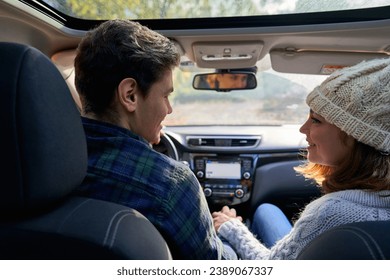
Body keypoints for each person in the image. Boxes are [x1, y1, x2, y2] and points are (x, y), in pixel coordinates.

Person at [73, 19, 236, 260]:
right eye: (166, 95)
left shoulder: (33, 170)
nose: (169, 109)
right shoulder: (172, 186)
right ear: (130, 95)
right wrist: (228, 231)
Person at [212, 57, 390, 259]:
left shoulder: (329, 213)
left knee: (251, 219)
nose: (302, 129)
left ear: (357, 135)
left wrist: (232, 228)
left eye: (315, 120)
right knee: (266, 210)